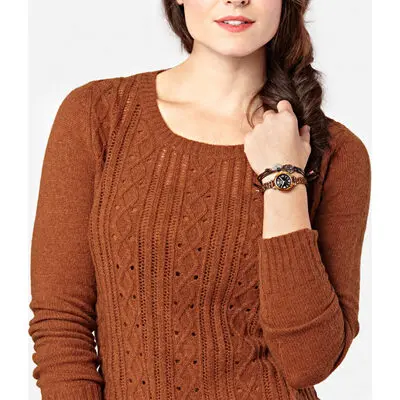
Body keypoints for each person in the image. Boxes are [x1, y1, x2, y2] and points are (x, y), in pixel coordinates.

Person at [28, 0, 371, 399]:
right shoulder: (100, 116)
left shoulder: (334, 153)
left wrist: (284, 179)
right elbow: (61, 326)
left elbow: (308, 362)